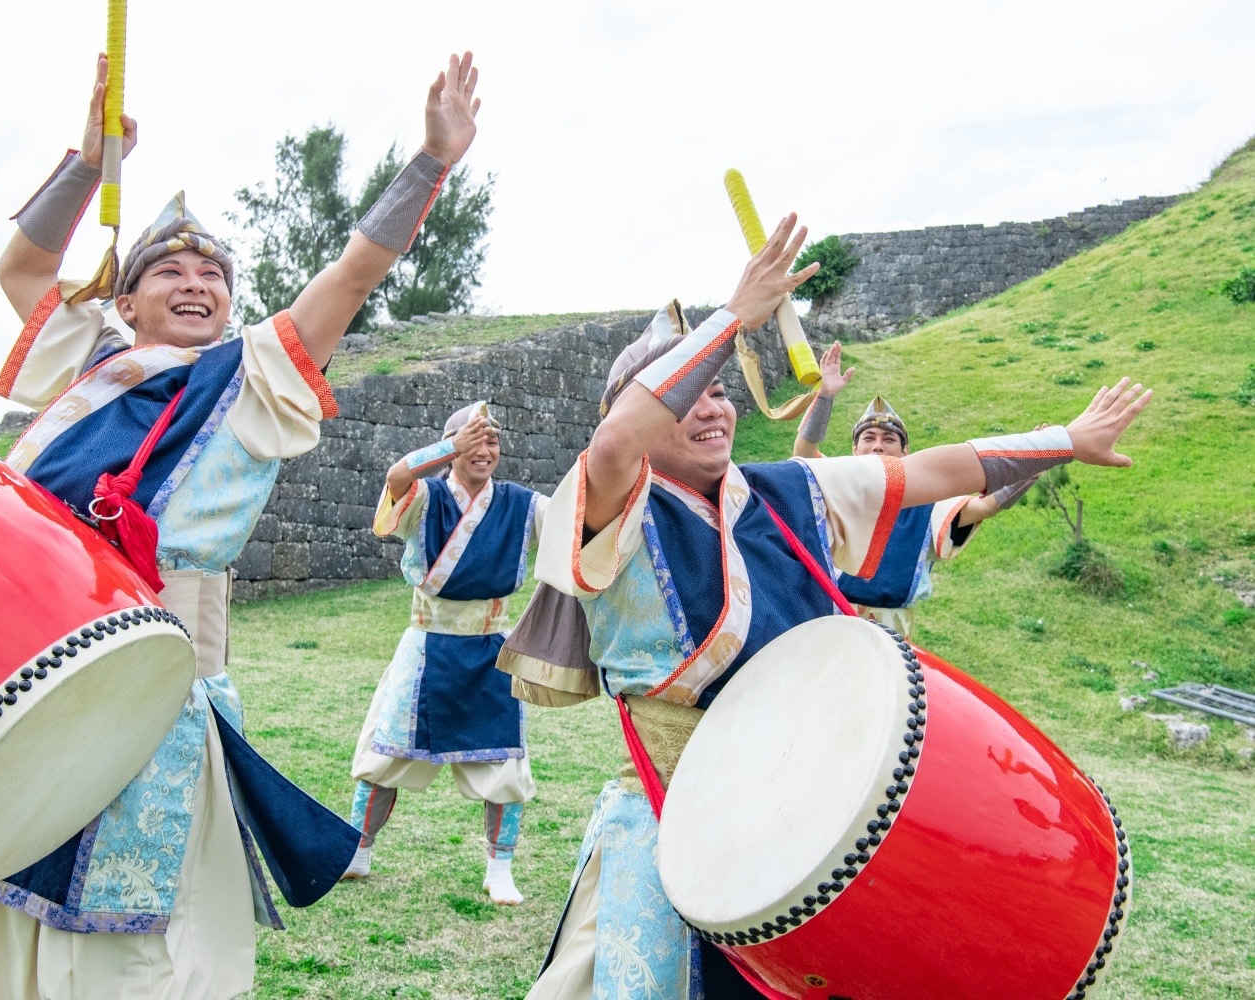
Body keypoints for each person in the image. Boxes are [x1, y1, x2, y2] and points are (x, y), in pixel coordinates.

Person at [0, 50, 483, 1000]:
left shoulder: (252, 376)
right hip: (42, 658)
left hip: (163, 674)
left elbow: (354, 273)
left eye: (214, 275)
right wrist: (87, 161)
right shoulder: (89, 364)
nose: (197, 284)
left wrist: (431, 163)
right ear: (125, 300)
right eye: (170, 271)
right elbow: (23, 266)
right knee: (33, 866)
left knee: (145, 921)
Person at [497, 212, 1151, 999]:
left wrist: (1065, 439)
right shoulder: (608, 508)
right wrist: (735, 317)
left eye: (720, 393)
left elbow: (934, 472)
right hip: (680, 818)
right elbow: (614, 446)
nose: (712, 409)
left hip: (810, 814)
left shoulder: (789, 491)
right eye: (687, 397)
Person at [344, 401, 546, 905]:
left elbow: (572, 519)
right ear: (449, 447)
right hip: (426, 643)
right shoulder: (425, 497)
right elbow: (396, 476)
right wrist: (449, 446)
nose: (483, 449)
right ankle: (357, 852)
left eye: (492, 440)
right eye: (472, 439)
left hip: (490, 646)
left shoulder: (521, 505)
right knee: (384, 755)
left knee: (504, 764)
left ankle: (500, 870)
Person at [791, 343, 1041, 637]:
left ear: (905, 452)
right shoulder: (837, 487)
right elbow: (804, 452)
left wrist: (1026, 469)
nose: (878, 446)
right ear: (855, 449)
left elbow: (984, 507)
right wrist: (825, 397)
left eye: (889, 439)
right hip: (831, 619)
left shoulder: (927, 502)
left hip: (895, 629)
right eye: (869, 438)